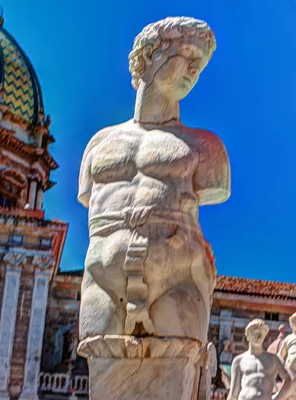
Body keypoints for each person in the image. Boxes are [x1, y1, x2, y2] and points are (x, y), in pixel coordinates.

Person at [77, 17, 230, 344]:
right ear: (148, 56)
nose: (194, 70)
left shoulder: (206, 148)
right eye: (187, 55)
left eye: (199, 65)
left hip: (178, 280)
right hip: (103, 280)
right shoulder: (98, 145)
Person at [229, 319, 294, 400]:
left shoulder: (273, 359)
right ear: (248, 335)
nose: (259, 336)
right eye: (256, 332)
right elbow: (233, 394)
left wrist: (278, 398)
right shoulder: (238, 361)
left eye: (262, 334)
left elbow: (290, 380)